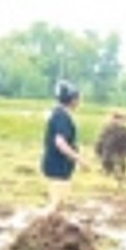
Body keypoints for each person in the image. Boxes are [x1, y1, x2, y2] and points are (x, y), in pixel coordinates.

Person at [42, 79, 88, 209]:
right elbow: (60, 142)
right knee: (56, 204)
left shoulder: (58, 113)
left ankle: (49, 226)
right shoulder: (62, 117)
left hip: (59, 166)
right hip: (57, 166)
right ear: (72, 99)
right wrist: (78, 158)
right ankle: (43, 227)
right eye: (77, 98)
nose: (79, 101)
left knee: (59, 203)